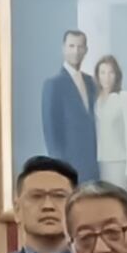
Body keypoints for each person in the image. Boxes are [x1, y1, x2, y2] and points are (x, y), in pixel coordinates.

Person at [41, 29, 98, 182]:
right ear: (63, 48)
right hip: (69, 166)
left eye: (80, 47)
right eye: (71, 46)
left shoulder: (91, 82)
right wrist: (61, 169)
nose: (76, 51)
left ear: (86, 50)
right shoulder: (53, 84)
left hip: (94, 166)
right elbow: (51, 132)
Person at [92, 56, 127, 190]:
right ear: (98, 75)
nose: (106, 77)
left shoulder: (123, 97)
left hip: (118, 162)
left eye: (111, 73)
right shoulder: (94, 99)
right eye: (103, 72)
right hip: (98, 162)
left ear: (117, 75)